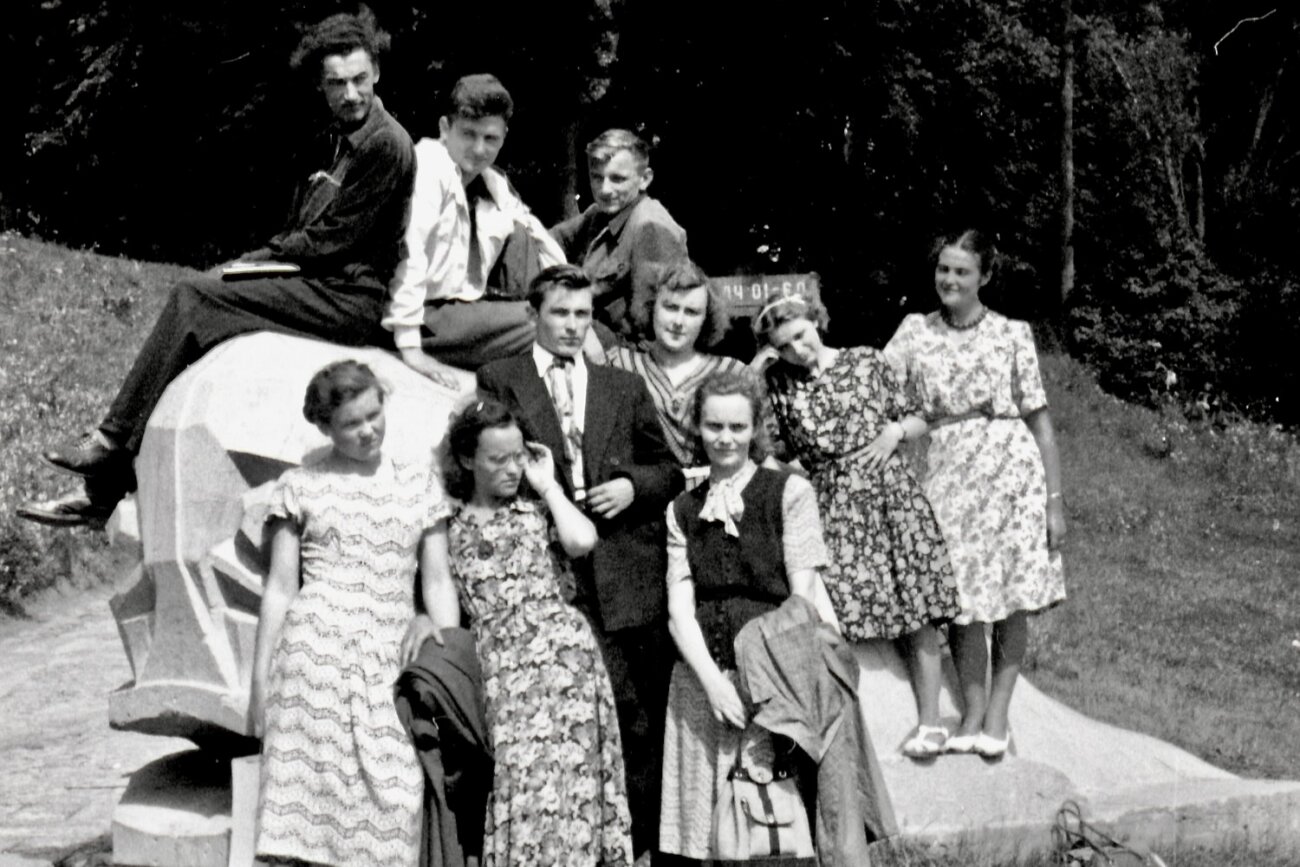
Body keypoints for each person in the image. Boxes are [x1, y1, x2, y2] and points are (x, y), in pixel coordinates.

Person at [20, 10, 416, 528]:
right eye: (336, 84)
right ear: (320, 86)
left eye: (359, 80)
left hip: (346, 298)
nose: (350, 94)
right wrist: (256, 262)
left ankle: (109, 446)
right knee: (203, 301)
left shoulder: (385, 145)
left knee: (195, 297)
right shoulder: (336, 137)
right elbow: (305, 225)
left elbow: (330, 240)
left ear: (377, 73)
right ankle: (106, 489)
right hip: (318, 281)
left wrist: (256, 260)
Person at [476, 264, 683, 862]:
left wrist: (632, 486)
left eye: (583, 315)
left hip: (626, 572)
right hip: (551, 573)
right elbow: (490, 464)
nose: (572, 326)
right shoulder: (502, 378)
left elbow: (668, 470)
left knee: (639, 716)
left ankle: (643, 848)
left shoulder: (622, 384)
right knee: (579, 718)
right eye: (560, 313)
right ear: (533, 314)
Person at [249, 360, 457, 866]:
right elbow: (280, 588)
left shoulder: (418, 484)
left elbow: (436, 581)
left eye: (373, 415)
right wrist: (259, 682)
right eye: (350, 424)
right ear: (325, 427)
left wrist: (449, 662)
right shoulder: (301, 486)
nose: (367, 431)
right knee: (308, 819)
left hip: (388, 660)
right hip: (312, 666)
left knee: (396, 801)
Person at [882, 229, 1067, 759]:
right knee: (961, 602)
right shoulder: (915, 331)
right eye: (944, 269)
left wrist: (1054, 502)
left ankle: (998, 717)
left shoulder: (1012, 334)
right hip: (949, 475)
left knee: (1010, 599)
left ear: (984, 276)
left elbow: (1041, 424)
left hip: (1012, 477)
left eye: (962, 271)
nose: (950, 280)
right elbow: (870, 381)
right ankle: (970, 711)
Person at [753, 292, 961, 759]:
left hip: (891, 498)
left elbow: (922, 414)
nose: (797, 350)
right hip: (832, 508)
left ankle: (932, 723)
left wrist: (895, 431)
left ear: (816, 320)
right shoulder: (779, 384)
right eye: (783, 346)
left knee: (916, 607)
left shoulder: (866, 361)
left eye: (801, 335)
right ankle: (862, 733)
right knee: (844, 616)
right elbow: (765, 448)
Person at [658, 370, 845, 862]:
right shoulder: (681, 509)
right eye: (714, 426)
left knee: (769, 825)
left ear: (755, 428)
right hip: (701, 680)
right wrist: (713, 684)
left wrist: (755, 685)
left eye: (737, 427)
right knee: (704, 833)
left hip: (773, 679)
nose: (725, 438)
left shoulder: (789, 493)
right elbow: (679, 610)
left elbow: (800, 602)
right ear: (697, 427)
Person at [440, 398, 634, 866]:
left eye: (517, 457)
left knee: (576, 783)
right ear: (466, 459)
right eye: (498, 460)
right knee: (523, 783)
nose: (512, 470)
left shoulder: (536, 511)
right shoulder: (450, 526)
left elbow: (582, 541)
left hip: (566, 663)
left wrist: (548, 486)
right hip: (503, 668)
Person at [385, 73, 569, 379]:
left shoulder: (492, 182)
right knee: (549, 324)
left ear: (504, 137)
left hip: (461, 307)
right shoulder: (428, 168)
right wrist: (410, 348)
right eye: (468, 134)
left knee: (571, 317)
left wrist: (569, 298)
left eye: (490, 138)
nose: (480, 148)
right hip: (421, 315)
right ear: (445, 128)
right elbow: (410, 255)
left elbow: (541, 241)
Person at [605, 259, 746, 475]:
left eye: (691, 312)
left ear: (706, 319)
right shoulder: (619, 365)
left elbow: (760, 455)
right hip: (644, 491)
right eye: (670, 307)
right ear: (651, 307)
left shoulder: (732, 372)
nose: (679, 321)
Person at [550, 129, 688, 347]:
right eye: (597, 177)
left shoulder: (650, 227)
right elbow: (548, 240)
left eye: (617, 179)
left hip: (624, 353)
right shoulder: (599, 214)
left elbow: (656, 334)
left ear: (644, 179)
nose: (605, 189)